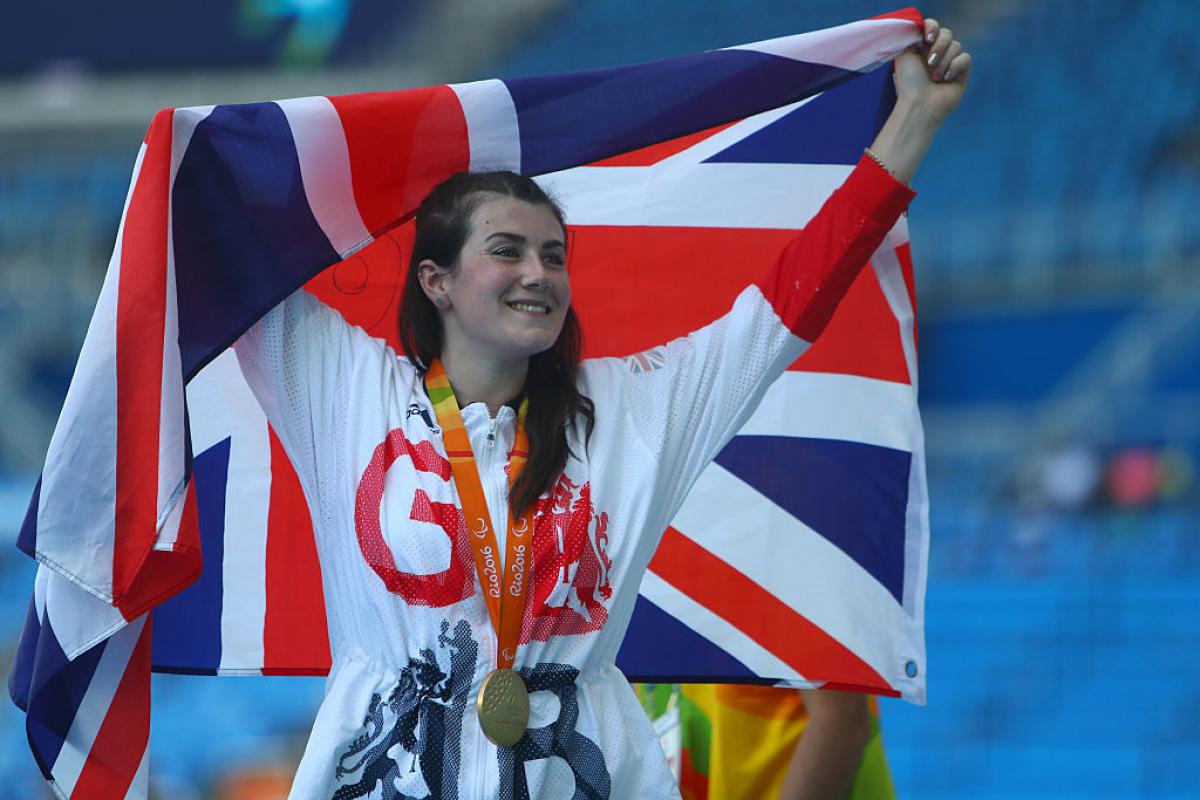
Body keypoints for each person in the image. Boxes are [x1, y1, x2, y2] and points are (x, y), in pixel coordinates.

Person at [233, 18, 970, 799]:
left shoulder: (632, 410)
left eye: (554, 255)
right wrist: (190, 151)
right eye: (507, 250)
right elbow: (230, 248)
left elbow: (785, 306)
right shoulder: (342, 386)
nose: (539, 274)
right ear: (435, 281)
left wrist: (914, 120)